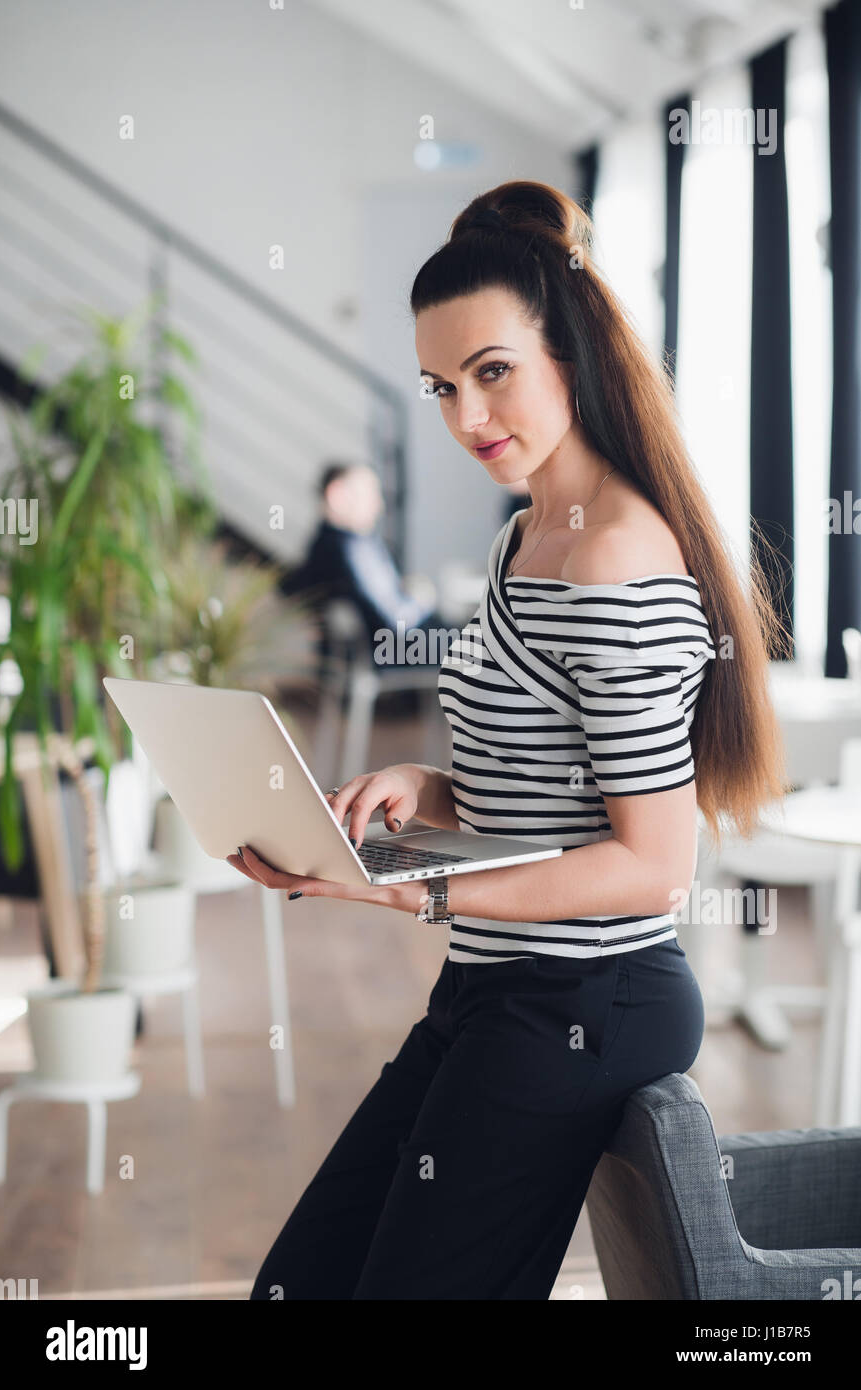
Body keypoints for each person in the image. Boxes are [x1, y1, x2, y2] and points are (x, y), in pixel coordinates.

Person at [231, 180, 789, 1300]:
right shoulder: (525, 535)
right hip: (495, 990)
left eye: (493, 373)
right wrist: (418, 787)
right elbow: (531, 783)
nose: (466, 418)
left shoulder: (614, 565)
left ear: (570, 353)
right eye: (442, 387)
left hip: (587, 1000)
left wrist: (412, 893)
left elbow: (653, 864)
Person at [280, 462, 444, 670]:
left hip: (397, 644)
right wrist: (421, 600)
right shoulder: (348, 549)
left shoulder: (335, 544)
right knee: (478, 646)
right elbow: (394, 622)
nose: (379, 505)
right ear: (337, 496)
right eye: (370, 494)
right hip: (395, 647)